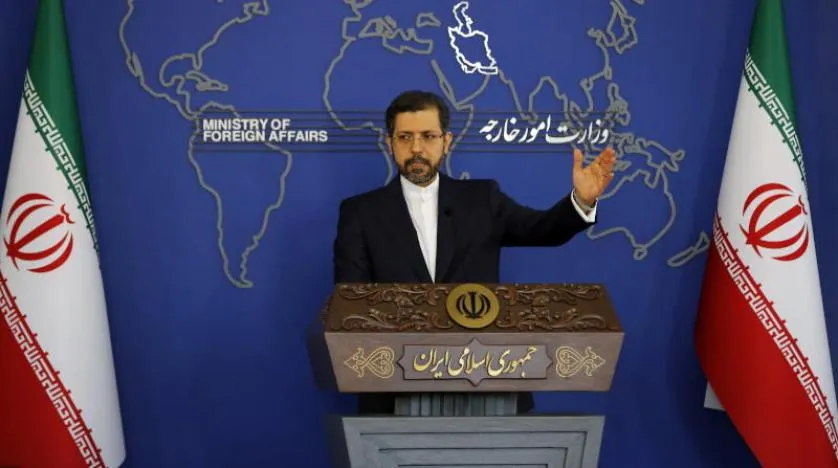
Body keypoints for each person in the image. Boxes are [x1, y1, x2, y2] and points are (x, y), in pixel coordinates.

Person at [332, 90, 616, 414]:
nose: (416, 148)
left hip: (486, 385)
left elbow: (543, 229)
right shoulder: (360, 213)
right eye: (405, 137)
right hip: (393, 395)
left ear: (447, 141)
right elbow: (351, 302)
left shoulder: (482, 199)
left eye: (428, 136)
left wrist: (581, 200)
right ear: (389, 143)